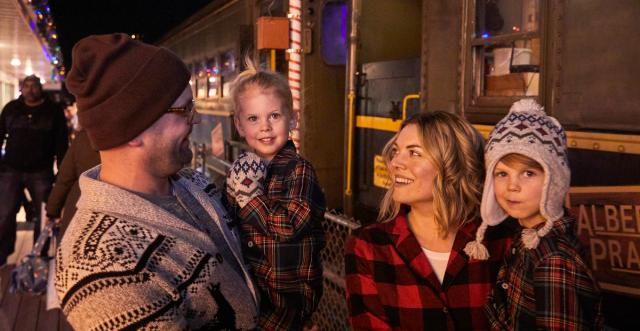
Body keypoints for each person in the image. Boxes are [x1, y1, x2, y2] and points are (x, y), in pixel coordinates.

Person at [55, 33, 258, 330]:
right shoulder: (100, 267)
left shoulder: (193, 184)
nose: (197, 119)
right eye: (184, 109)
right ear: (133, 129)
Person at [345, 112, 513, 330]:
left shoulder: (503, 241)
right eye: (396, 151)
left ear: (453, 164)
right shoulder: (367, 246)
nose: (395, 162)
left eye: (414, 153)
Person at [464, 99, 605, 330]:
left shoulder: (554, 261)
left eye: (528, 173)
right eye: (501, 174)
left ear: (555, 182)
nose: (512, 186)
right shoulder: (527, 235)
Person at [225, 64, 326, 330]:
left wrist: (248, 196)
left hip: (286, 299)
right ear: (239, 124)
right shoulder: (241, 169)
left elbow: (289, 226)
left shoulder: (299, 170)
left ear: (291, 120)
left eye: (274, 116)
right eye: (253, 119)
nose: (265, 127)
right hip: (250, 292)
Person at [0, 74, 68, 266]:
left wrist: (61, 172)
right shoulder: (11, 109)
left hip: (41, 170)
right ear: (21, 88)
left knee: (44, 215)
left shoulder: (53, 111)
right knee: (4, 213)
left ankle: (40, 256)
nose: (30, 89)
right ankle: (3, 254)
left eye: (34, 86)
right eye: (26, 86)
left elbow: (61, 144)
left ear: (41, 88)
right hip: (10, 169)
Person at [45, 129, 100, 237]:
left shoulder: (84, 137)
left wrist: (52, 210)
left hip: (78, 212)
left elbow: (65, 178)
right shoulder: (133, 137)